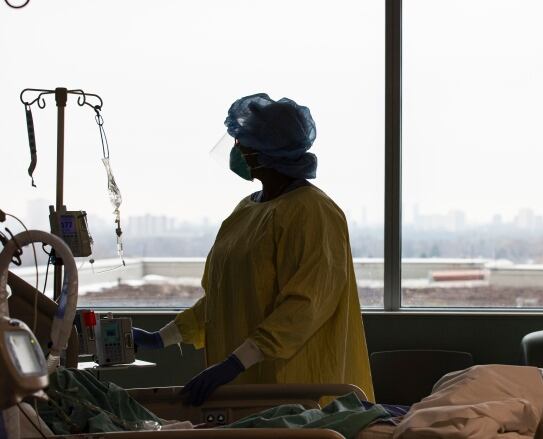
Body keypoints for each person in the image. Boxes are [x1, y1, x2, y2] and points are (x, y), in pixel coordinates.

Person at [132, 93, 374, 406]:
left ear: (268, 151)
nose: (238, 150)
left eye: (242, 142)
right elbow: (223, 299)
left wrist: (236, 361)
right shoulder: (246, 211)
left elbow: (305, 306)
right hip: (243, 379)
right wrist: (161, 338)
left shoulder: (314, 213)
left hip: (294, 383)